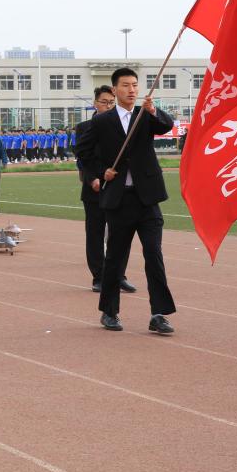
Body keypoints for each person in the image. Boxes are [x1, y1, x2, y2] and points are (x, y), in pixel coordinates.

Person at [76, 67, 176, 334]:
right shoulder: (102, 122)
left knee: (154, 254)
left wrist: (154, 111)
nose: (131, 90)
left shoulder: (145, 115)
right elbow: (82, 151)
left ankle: (159, 314)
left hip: (148, 199)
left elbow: (167, 126)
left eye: (134, 85)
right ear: (115, 89)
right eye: (125, 85)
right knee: (116, 258)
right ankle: (109, 312)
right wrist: (101, 172)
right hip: (119, 200)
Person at [76, 85, 136, 293]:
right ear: (95, 104)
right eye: (104, 102)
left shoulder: (122, 125)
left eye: (111, 102)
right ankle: (99, 277)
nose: (108, 106)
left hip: (118, 188)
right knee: (95, 234)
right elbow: (83, 158)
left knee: (121, 234)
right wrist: (93, 178)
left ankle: (119, 275)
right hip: (94, 188)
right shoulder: (84, 127)